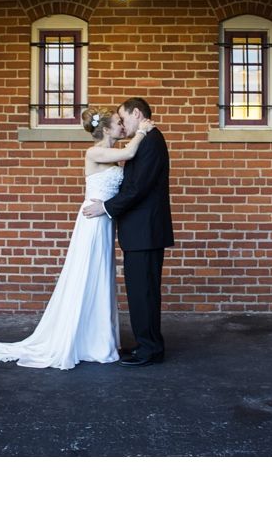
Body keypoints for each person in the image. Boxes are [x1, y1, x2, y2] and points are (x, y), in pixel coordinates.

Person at [0, 108, 153, 370]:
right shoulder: (94, 152)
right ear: (105, 129)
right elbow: (129, 152)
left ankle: (97, 338)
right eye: (117, 123)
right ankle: (79, 338)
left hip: (104, 222)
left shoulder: (112, 159)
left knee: (101, 277)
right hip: (91, 224)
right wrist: (143, 132)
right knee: (87, 275)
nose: (122, 127)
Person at [83, 97, 174, 367]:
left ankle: (150, 350)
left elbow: (138, 189)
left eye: (124, 118)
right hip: (140, 231)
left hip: (145, 232)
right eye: (118, 121)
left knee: (144, 293)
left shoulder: (151, 141)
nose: (123, 124)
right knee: (140, 292)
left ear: (136, 113)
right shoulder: (145, 141)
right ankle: (145, 344)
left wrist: (107, 208)